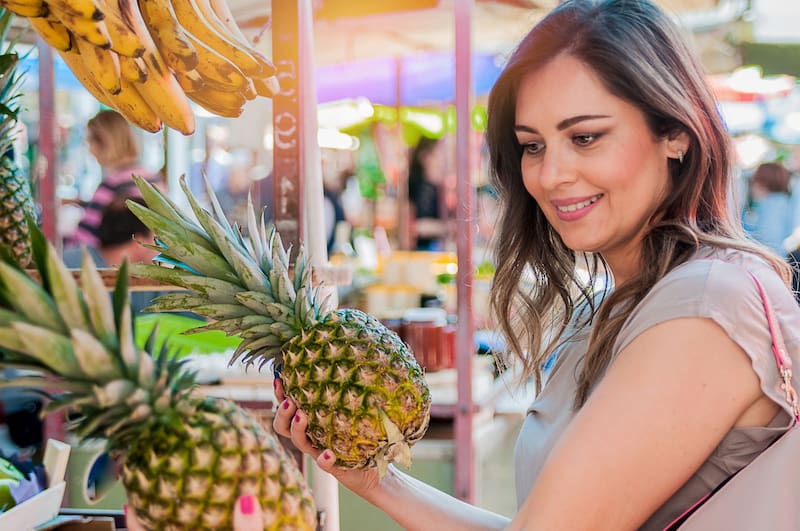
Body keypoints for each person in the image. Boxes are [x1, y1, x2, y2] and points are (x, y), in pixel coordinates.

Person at [270, 1, 800, 530]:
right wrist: (377, 482)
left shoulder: (706, 307)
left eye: (585, 137)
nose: (550, 175)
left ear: (676, 134)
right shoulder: (618, 307)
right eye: (532, 145)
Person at [67, 110, 161, 248]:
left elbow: (84, 240)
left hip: (114, 258)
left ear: (104, 142)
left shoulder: (112, 184)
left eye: (90, 142)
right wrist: (81, 203)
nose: (90, 151)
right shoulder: (152, 178)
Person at [63, 197, 159, 316]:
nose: (163, 249)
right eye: (158, 240)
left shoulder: (66, 261)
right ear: (140, 242)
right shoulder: (68, 267)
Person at [742, 161, 795, 256]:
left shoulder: (772, 206)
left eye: (755, 179)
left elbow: (768, 240)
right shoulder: (784, 203)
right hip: (774, 258)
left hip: (764, 259)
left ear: (763, 183)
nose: (752, 185)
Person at [407, 136, 450, 250]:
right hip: (423, 249)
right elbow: (417, 226)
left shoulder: (437, 187)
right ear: (424, 157)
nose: (441, 160)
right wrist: (447, 228)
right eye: (437, 154)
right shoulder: (420, 187)